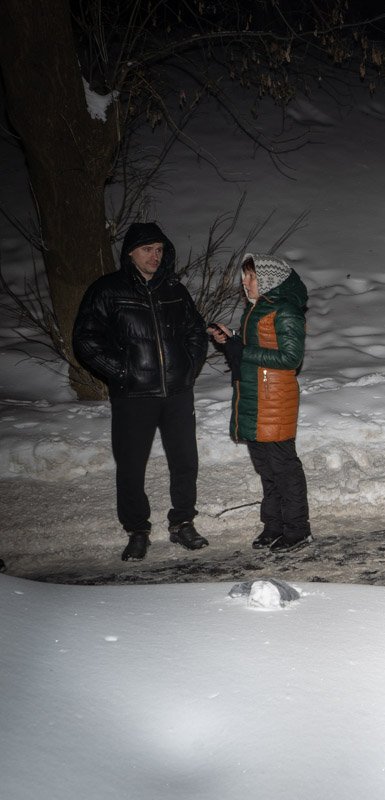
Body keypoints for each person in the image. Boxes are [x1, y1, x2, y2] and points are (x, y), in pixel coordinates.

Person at [73, 222, 209, 561]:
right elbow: (86, 339)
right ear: (130, 253)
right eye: (147, 249)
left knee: (185, 461)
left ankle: (183, 522)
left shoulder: (174, 289)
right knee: (131, 466)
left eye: (159, 249)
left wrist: (188, 366)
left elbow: (196, 330)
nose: (155, 256)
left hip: (177, 392)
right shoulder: (107, 290)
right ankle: (137, 530)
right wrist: (122, 372)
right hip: (133, 395)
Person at [209, 254, 313, 553]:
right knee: (267, 469)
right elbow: (257, 347)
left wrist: (244, 351)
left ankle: (298, 530)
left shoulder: (286, 311)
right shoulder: (257, 309)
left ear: (268, 279)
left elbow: (290, 358)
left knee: (284, 468)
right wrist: (232, 340)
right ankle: (274, 526)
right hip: (256, 396)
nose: (245, 282)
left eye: (251, 276)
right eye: (244, 276)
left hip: (275, 399)